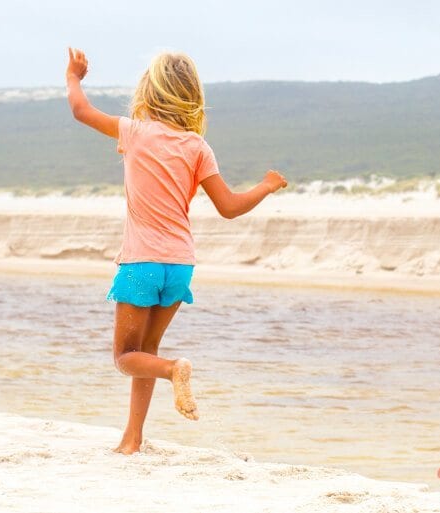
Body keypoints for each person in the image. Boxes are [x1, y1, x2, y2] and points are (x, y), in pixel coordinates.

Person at [66, 47, 287, 455]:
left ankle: (174, 369)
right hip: (181, 266)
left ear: (149, 92)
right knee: (145, 351)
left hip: (141, 263)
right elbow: (230, 207)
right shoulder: (198, 147)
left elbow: (81, 111)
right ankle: (132, 439)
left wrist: (74, 77)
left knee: (125, 357)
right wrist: (266, 186)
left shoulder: (134, 132)